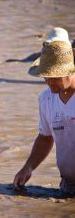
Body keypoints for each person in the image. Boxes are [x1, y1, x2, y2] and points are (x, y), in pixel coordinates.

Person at [13, 39, 75, 195]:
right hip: (68, 186)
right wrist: (28, 167)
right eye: (45, 76)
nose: (48, 81)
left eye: (54, 76)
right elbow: (45, 138)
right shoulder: (46, 99)